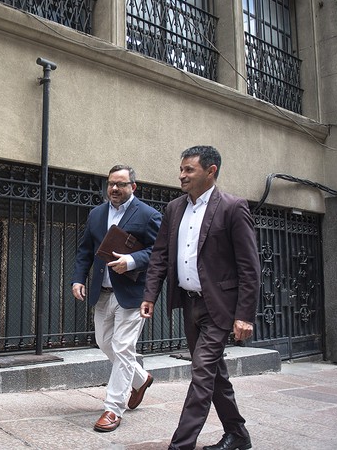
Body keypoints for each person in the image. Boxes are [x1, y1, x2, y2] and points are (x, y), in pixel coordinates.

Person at [140, 146, 260, 450]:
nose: (182, 175)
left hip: (219, 307)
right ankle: (238, 435)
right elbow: (160, 255)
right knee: (215, 375)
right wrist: (151, 294)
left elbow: (249, 266)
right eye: (181, 169)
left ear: (211, 171)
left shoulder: (234, 207)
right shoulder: (174, 208)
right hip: (189, 303)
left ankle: (181, 445)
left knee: (202, 373)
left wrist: (244, 315)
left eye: (189, 170)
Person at [72, 164, 162, 432]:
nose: (114, 188)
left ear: (133, 187)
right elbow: (85, 250)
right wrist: (78, 278)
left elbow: (158, 253)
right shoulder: (96, 214)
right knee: (104, 342)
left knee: (123, 348)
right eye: (111, 183)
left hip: (133, 294)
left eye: (121, 184)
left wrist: (133, 260)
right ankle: (141, 378)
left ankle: (113, 408)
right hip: (103, 292)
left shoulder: (148, 215)